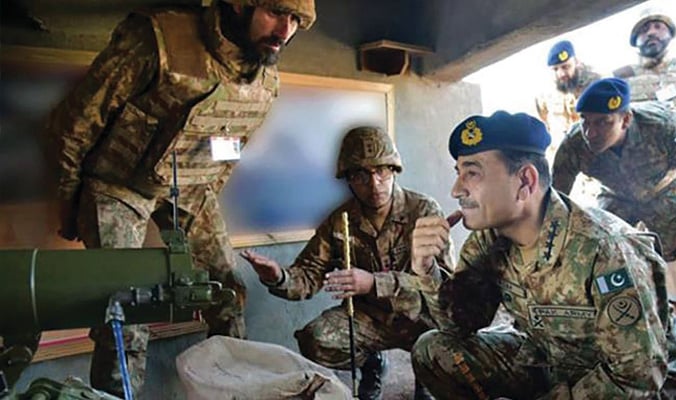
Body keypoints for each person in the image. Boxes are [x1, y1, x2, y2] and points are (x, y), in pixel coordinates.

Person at [45, 0, 315, 397]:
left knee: (228, 293)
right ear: (240, 5)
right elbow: (77, 121)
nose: (285, 30)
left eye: (296, 20)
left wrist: (201, 199)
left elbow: (229, 153)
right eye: (276, 13)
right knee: (123, 312)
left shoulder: (264, 79)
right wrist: (71, 201)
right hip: (118, 185)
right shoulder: (157, 40)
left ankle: (236, 390)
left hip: (191, 186)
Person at [409, 110, 676, 399]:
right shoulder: (488, 240)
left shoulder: (606, 249)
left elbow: (638, 377)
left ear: (525, 181)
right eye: (458, 173)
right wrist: (427, 271)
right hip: (554, 361)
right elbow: (460, 324)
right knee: (434, 350)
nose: (456, 189)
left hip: (639, 386)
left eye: (472, 173)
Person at [240, 126, 453, 400]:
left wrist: (375, 283)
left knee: (449, 344)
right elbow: (309, 275)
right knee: (316, 339)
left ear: (394, 170)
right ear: (348, 179)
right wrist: (277, 276)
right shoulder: (340, 220)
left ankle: (426, 374)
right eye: (361, 175)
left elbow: (445, 283)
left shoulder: (423, 211)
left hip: (422, 316)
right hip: (370, 319)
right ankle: (372, 363)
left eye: (382, 171)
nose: (374, 184)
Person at [552, 78, 676, 260]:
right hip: (616, 197)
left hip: (663, 192)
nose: (590, 133)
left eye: (602, 122)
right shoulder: (574, 144)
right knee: (602, 252)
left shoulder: (662, 127)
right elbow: (555, 197)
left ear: (626, 120)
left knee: (671, 255)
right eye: (585, 121)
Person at [613, 8, 676, 129]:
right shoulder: (620, 78)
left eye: (658, 27)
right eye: (644, 30)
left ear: (670, 33)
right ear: (635, 39)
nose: (651, 33)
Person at [535, 40, 600, 158]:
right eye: (555, 69)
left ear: (577, 63)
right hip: (562, 158)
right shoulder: (545, 94)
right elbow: (544, 120)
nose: (561, 74)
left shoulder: (597, 85)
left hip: (593, 156)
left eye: (565, 67)